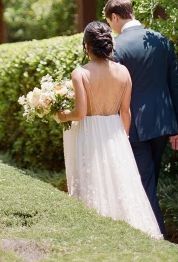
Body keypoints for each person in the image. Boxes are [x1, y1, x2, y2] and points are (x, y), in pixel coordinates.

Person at [55, 21, 163, 238]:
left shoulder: (80, 73)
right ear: (109, 45)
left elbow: (80, 113)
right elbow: (126, 112)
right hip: (116, 134)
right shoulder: (123, 72)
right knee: (120, 185)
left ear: (86, 46)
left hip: (89, 135)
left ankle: (94, 233)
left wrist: (61, 116)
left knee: (92, 182)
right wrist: (122, 138)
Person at [105, 0, 178, 239]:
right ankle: (148, 234)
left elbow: (113, 91)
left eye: (109, 22)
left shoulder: (117, 47)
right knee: (149, 181)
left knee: (144, 184)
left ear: (116, 17)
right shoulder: (161, 40)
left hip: (134, 127)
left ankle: (156, 238)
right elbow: (176, 85)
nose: (111, 27)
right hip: (163, 124)